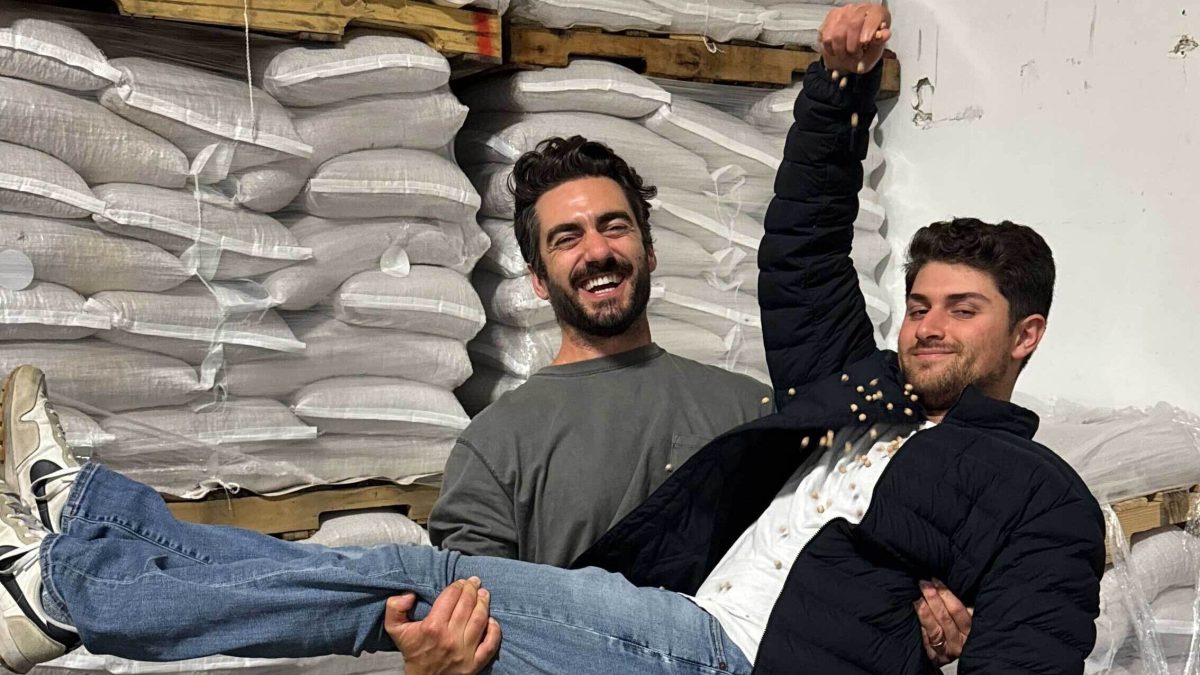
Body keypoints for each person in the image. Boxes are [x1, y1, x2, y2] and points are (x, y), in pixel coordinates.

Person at [0, 5, 1101, 674]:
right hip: (663, 625)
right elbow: (802, 250)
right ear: (537, 275)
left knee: (411, 573)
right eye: (919, 304)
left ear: (1027, 336)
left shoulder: (1035, 494)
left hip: (715, 657)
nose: (926, 327)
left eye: (962, 311)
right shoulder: (853, 400)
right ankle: (79, 547)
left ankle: (71, 567)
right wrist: (839, 91)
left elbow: (1028, 646)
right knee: (412, 578)